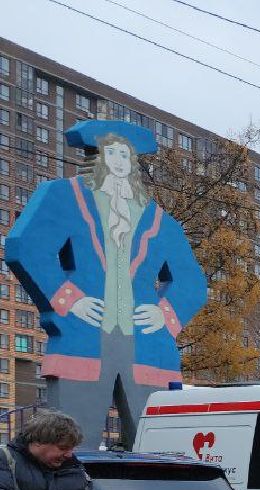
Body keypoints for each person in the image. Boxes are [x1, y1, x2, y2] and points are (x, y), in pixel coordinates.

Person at [4, 122, 207, 447]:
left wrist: (164, 316)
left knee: (154, 451)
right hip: (83, 337)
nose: (118, 161)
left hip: (147, 349)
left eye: (125, 154)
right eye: (111, 152)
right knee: (70, 445)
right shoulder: (64, 198)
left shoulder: (159, 221)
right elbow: (26, 247)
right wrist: (69, 299)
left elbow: (192, 282)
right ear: (95, 157)